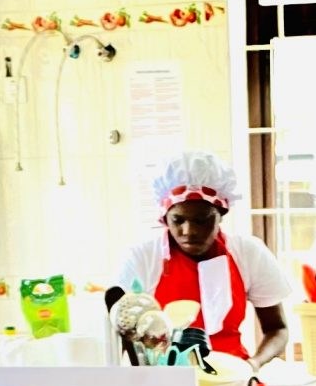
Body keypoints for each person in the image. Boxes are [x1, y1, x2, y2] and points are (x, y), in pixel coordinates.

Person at [108, 152, 291, 370]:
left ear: (220, 214)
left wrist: (252, 365)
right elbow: (124, 334)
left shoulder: (249, 253)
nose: (189, 231)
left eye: (202, 220)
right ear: (164, 218)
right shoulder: (142, 258)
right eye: (178, 220)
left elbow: (277, 329)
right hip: (165, 376)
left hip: (232, 374)